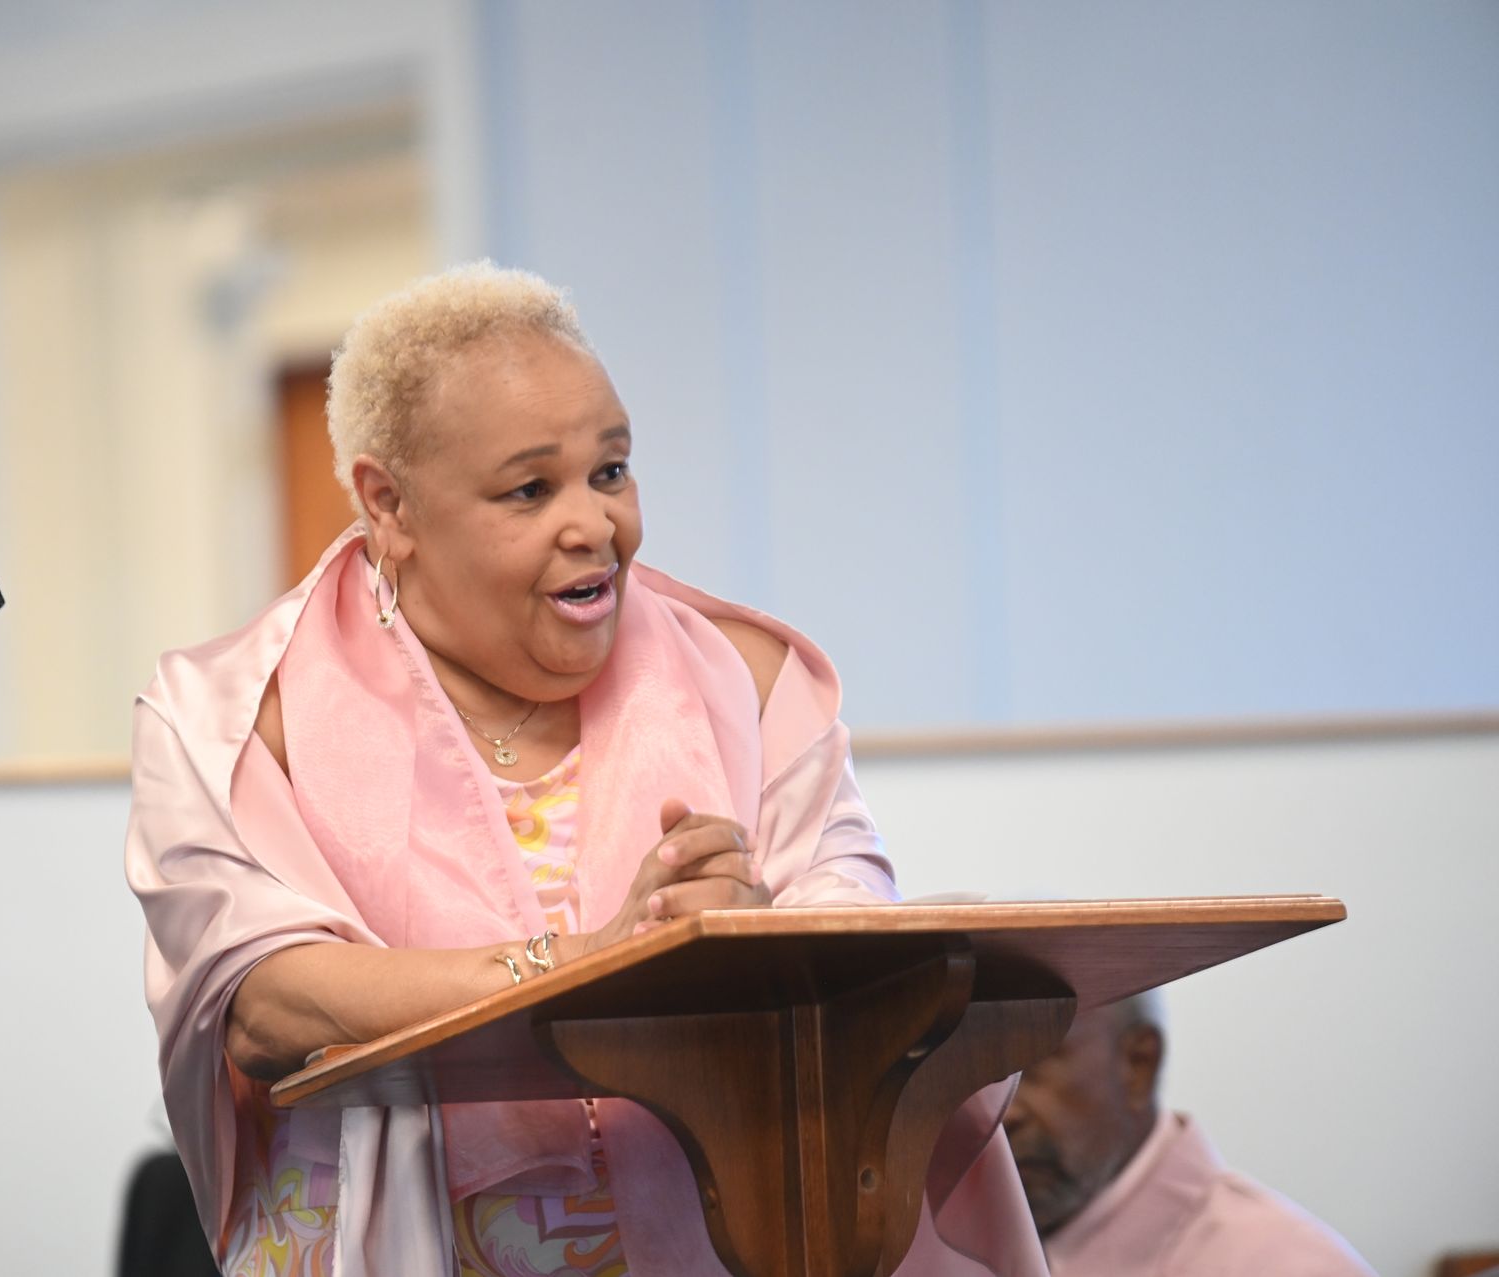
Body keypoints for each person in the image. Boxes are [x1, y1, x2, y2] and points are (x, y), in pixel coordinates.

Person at [126, 262, 1046, 1276]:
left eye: (610, 471)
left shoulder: (745, 678)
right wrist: (597, 965)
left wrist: (755, 939)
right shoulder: (234, 717)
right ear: (389, 504)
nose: (596, 525)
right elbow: (264, 1000)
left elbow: (852, 908)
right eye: (531, 489)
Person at [1003, 992, 1375, 1275]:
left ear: (1138, 1064)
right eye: (979, 1073)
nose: (1002, 1113)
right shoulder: (985, 1244)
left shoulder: (1287, 1266)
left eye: (1027, 1067)